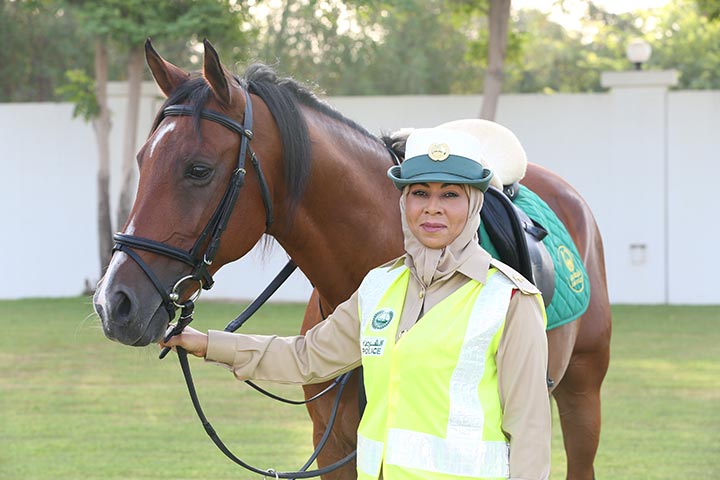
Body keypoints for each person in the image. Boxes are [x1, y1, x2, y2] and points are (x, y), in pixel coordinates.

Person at [161, 126, 551, 480]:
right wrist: (207, 344)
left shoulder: (510, 299)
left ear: (473, 205)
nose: (433, 207)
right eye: (420, 193)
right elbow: (306, 357)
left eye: (450, 194)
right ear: (403, 202)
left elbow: (530, 430)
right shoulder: (379, 286)